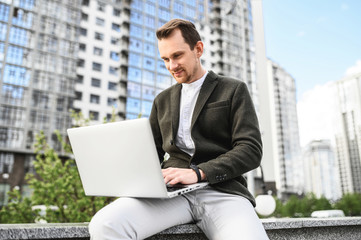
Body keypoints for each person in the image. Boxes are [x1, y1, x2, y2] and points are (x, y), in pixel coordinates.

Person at [89, 19, 269, 240]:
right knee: (106, 224)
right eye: (165, 59)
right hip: (171, 194)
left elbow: (250, 149)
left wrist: (198, 173)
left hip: (223, 191)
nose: (171, 66)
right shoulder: (161, 101)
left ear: (198, 49)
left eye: (177, 56)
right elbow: (151, 154)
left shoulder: (233, 90)